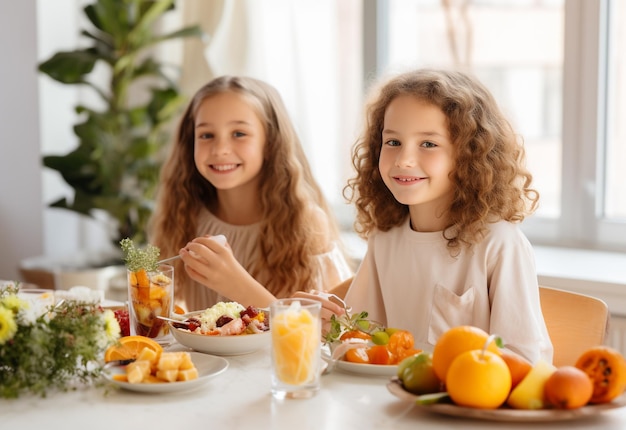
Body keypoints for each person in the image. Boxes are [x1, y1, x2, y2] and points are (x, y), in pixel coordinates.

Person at [296, 69, 553, 364]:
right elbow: (361, 339)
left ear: (469, 155)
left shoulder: (500, 244)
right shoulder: (385, 239)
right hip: (391, 404)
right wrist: (330, 326)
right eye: (393, 142)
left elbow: (527, 361)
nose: (404, 159)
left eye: (428, 144)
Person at [149, 76, 353, 311]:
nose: (220, 149)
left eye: (239, 134)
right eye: (206, 135)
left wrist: (238, 286)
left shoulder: (307, 224)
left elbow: (328, 332)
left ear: (271, 143)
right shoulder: (184, 214)